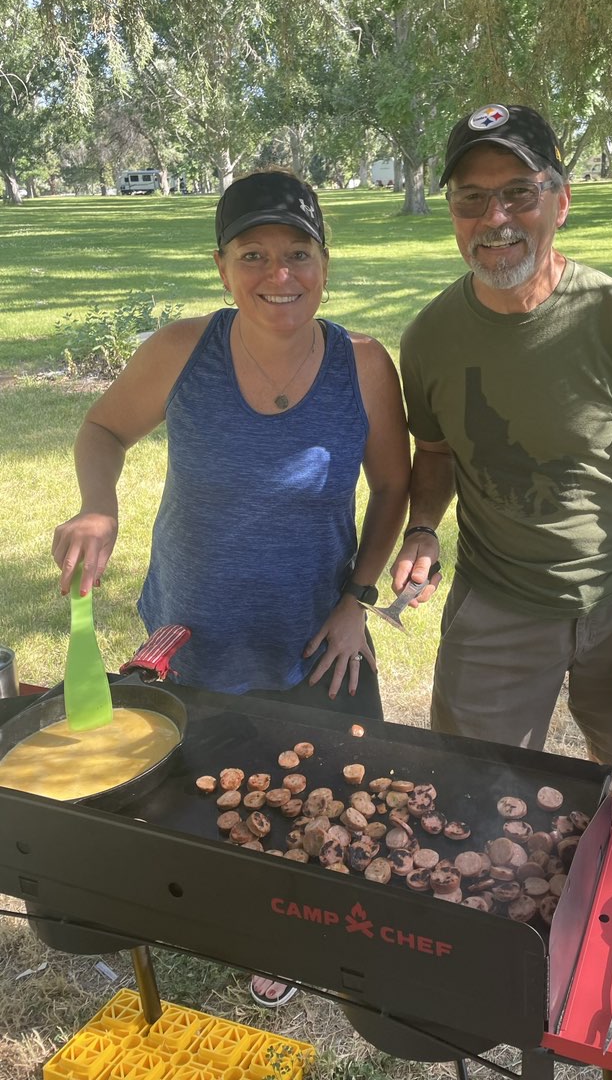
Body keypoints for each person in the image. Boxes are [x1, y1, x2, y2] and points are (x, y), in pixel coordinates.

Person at [52, 169, 410, 1006]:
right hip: (193, 633)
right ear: (222, 267)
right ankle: (252, 929)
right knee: (216, 798)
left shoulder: (362, 365)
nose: (278, 274)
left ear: (325, 262)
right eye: (254, 254)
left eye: (298, 253)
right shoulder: (183, 351)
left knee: (338, 793)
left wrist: (358, 598)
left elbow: (393, 488)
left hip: (318, 638)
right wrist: (97, 508)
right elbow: (103, 427)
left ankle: (338, 934)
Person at [391, 103, 612, 802]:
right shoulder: (430, 337)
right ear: (452, 213)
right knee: (467, 796)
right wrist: (420, 528)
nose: (494, 218)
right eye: (471, 198)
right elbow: (435, 452)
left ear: (560, 202)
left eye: (518, 193)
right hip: (496, 603)